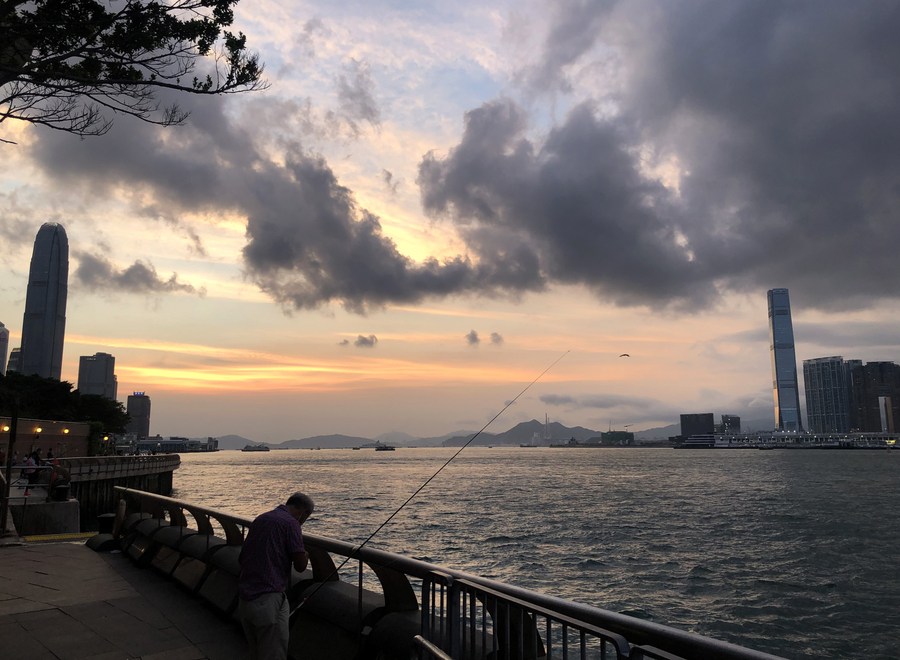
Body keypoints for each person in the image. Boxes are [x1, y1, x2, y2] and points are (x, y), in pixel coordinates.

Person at [238, 492, 314, 660]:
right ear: (303, 512)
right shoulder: (291, 524)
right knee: (273, 652)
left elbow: (242, 557)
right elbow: (300, 566)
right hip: (268, 598)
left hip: (246, 597)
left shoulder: (262, 518)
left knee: (255, 651)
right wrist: (306, 555)